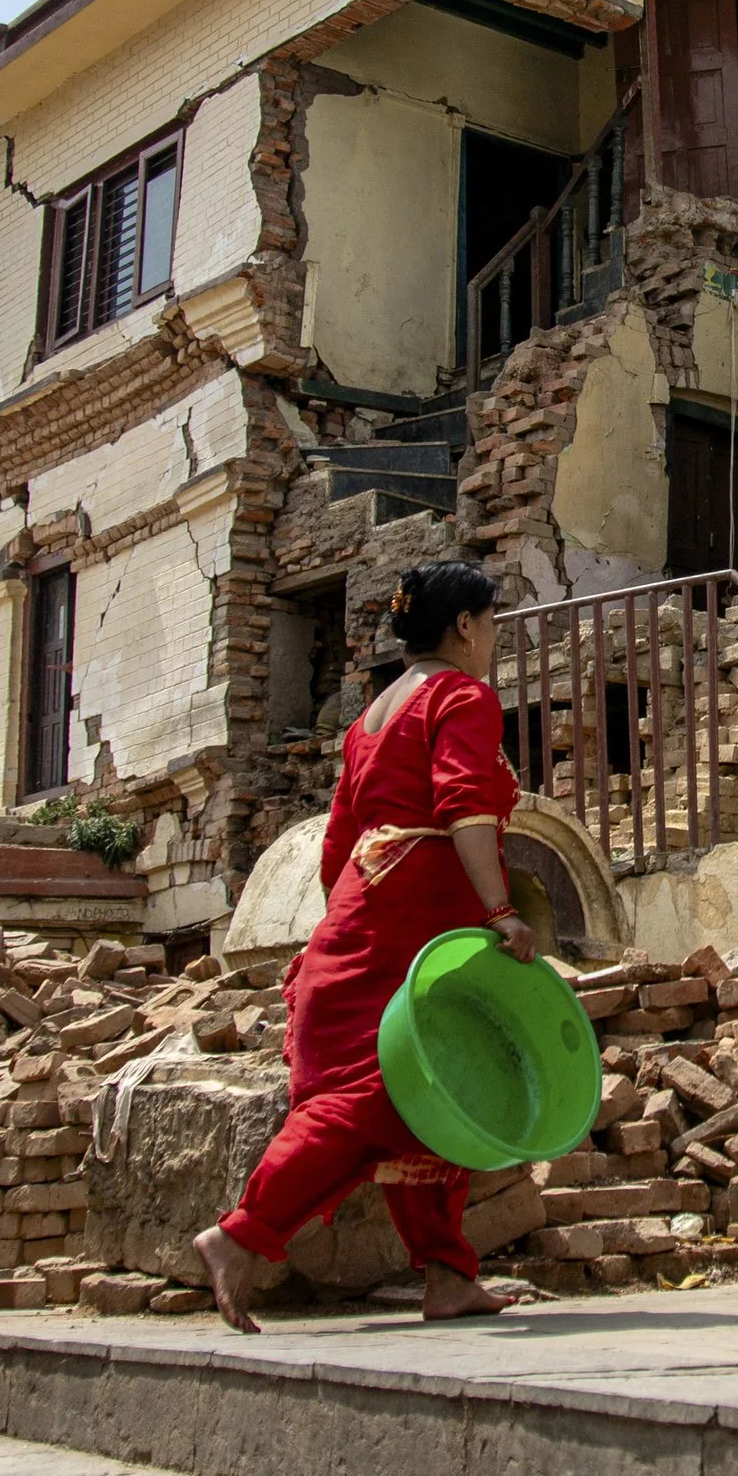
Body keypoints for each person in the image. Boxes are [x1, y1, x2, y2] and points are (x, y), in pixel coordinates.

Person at [197, 559, 540, 1331]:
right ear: (463, 627)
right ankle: (241, 1233)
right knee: (379, 1096)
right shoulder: (462, 696)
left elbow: (338, 846)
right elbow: (463, 805)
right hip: (412, 922)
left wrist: (347, 922)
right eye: (490, 623)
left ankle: (448, 1274)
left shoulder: (371, 720)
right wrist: (498, 909)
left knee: (429, 1091)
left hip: (368, 913)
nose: (492, 639)